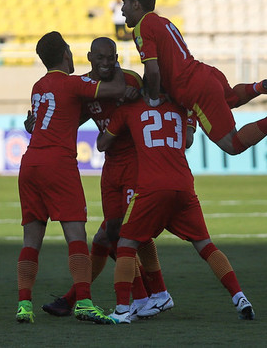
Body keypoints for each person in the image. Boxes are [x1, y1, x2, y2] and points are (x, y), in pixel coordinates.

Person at [37, 37, 172, 320]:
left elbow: (165, 101)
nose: (106, 62)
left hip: (138, 163)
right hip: (111, 167)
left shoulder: (133, 80)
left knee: (122, 231)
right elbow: (67, 119)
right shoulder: (86, 89)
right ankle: (149, 294)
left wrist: (187, 126)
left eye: (111, 57)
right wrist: (36, 124)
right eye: (101, 58)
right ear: (90, 58)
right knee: (108, 236)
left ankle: (146, 295)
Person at [97, 92, 255, 324]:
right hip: (183, 186)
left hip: (152, 188)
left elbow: (102, 144)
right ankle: (239, 297)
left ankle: (122, 310)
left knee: (125, 244)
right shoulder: (183, 106)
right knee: (206, 245)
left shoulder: (128, 109)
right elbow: (188, 140)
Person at [120, 0, 267, 158]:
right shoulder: (164, 22)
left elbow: (152, 70)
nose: (122, 10)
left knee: (233, 145)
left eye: (125, 3)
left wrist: (152, 100)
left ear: (137, 4)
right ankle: (260, 87)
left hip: (194, 89)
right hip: (205, 74)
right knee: (231, 98)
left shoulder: (142, 26)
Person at [15, 31, 126, 325]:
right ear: (66, 53)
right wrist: (114, 67)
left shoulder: (38, 86)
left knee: (31, 239)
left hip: (30, 163)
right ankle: (85, 303)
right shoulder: (74, 84)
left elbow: (45, 119)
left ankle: (24, 305)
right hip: (57, 163)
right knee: (76, 236)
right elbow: (116, 88)